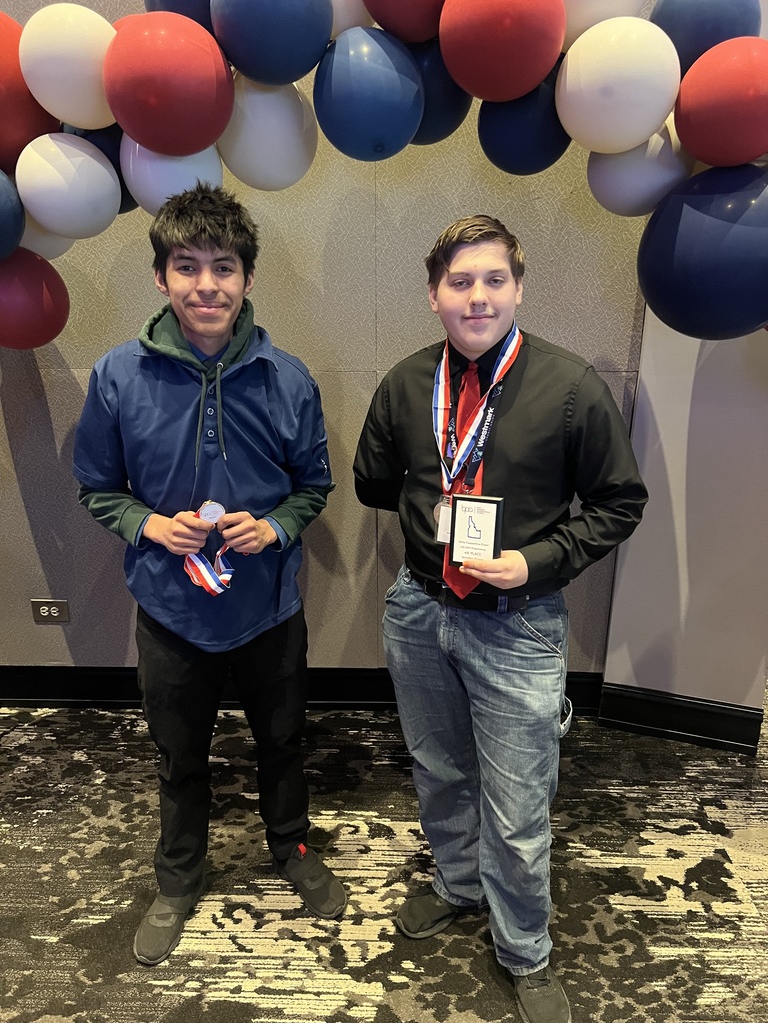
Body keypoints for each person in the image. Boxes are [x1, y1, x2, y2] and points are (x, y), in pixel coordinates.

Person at [353, 215, 648, 1023]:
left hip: (516, 623)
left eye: (493, 280)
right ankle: (455, 883)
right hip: (420, 609)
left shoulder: (570, 387)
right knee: (440, 769)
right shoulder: (409, 383)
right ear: (433, 295)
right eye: (459, 282)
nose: (476, 296)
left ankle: (525, 949)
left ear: (518, 288)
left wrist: (535, 561)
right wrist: (431, 503)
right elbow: (373, 482)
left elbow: (621, 502)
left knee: (518, 808)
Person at [73, 182, 346, 967]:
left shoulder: (287, 378)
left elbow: (314, 488)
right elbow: (98, 487)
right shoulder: (118, 377)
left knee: (283, 743)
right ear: (161, 278)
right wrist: (150, 525)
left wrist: (276, 526)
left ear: (248, 279)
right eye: (186, 266)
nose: (206, 285)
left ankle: (290, 848)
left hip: (267, 611)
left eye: (223, 267)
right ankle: (179, 876)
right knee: (179, 756)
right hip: (170, 613)